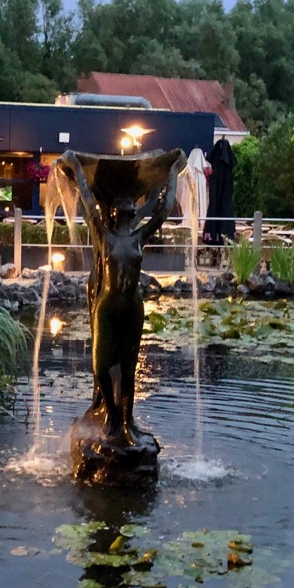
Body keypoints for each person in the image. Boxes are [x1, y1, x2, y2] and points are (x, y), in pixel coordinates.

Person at [55, 150, 184, 440]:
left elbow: (163, 210)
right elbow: (89, 203)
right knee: (101, 367)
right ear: (114, 213)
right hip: (107, 306)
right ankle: (112, 414)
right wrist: (76, 167)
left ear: (131, 213)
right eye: (119, 207)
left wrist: (174, 172)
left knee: (128, 369)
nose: (122, 210)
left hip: (132, 307)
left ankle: (126, 421)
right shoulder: (105, 236)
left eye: (127, 207)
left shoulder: (139, 236)